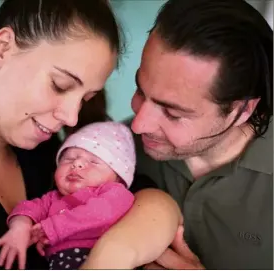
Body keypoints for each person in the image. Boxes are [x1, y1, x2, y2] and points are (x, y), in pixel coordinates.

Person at [0, 0, 182, 269]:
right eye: (60, 85)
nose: (71, 118)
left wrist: (112, 256)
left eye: (86, 98)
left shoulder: (46, 151)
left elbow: (152, 200)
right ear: (3, 48)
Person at [81, 0, 273, 270]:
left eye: (172, 113)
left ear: (242, 110)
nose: (138, 125)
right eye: (139, 91)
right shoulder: (109, 151)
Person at [0, 121, 137, 270]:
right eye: (69, 158)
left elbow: (101, 212)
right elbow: (27, 208)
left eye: (94, 161)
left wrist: (53, 227)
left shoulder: (116, 193)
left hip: (100, 258)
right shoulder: (52, 198)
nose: (77, 163)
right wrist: (20, 226)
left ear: (119, 177)